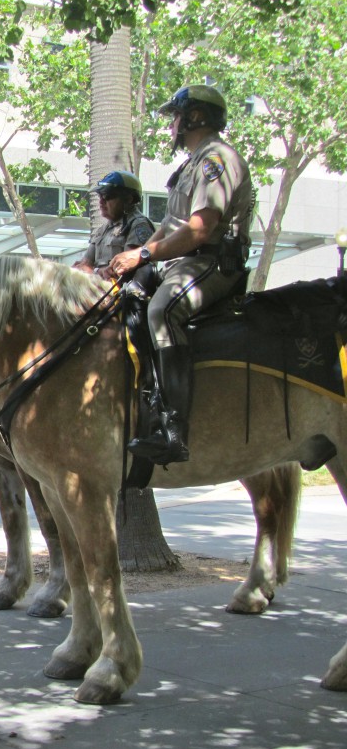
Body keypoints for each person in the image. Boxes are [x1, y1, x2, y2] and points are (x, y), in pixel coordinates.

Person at [109, 84, 254, 464]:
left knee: (161, 311)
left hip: (211, 263)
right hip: (181, 262)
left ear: (195, 117)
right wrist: (135, 259)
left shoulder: (216, 160)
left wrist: (142, 252)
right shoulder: (191, 165)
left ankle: (173, 430)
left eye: (176, 116)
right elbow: (169, 226)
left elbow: (199, 230)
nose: (172, 125)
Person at [73, 170, 154, 279]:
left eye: (107, 196)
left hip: (121, 293)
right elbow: (85, 264)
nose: (101, 201)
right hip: (99, 290)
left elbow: (126, 268)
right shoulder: (103, 229)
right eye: (100, 196)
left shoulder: (138, 225)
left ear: (128, 199)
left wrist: (93, 272)